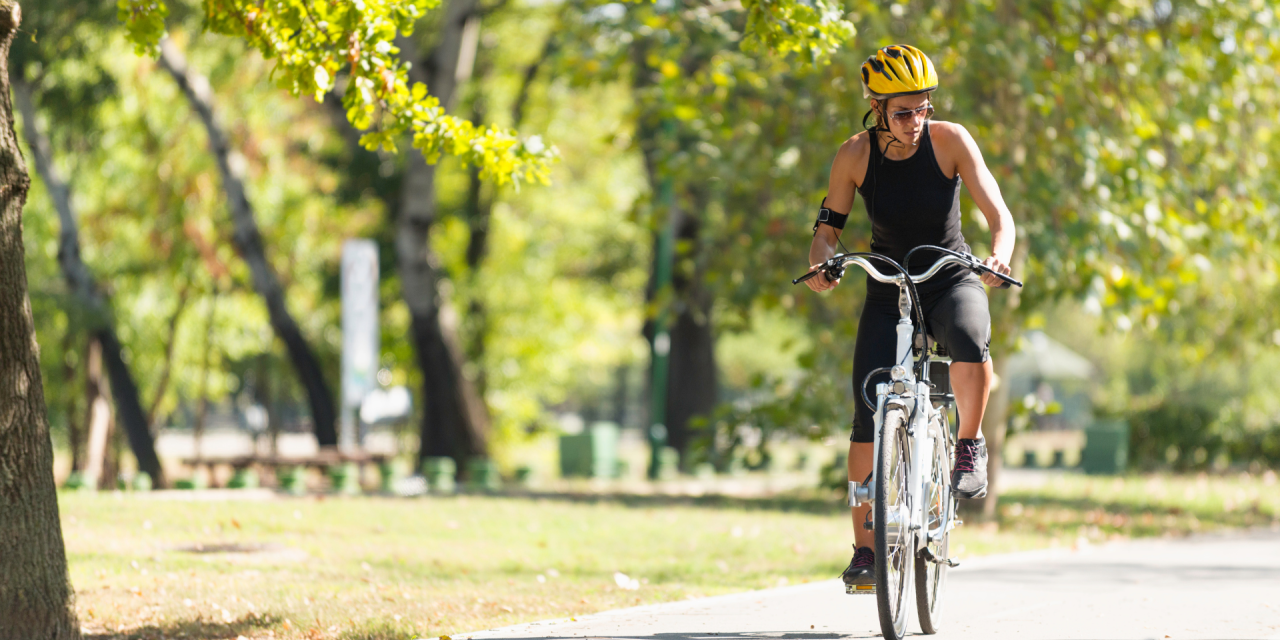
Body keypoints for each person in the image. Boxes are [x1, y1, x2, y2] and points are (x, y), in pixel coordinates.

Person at [801, 44, 1016, 587]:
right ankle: (865, 552)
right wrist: (824, 265)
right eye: (903, 111)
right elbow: (827, 233)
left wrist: (998, 255)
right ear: (876, 108)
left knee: (970, 337)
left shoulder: (950, 141)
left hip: (950, 275)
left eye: (923, 107)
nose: (916, 120)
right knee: (867, 411)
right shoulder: (854, 155)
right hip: (887, 284)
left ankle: (968, 445)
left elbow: (1000, 215)